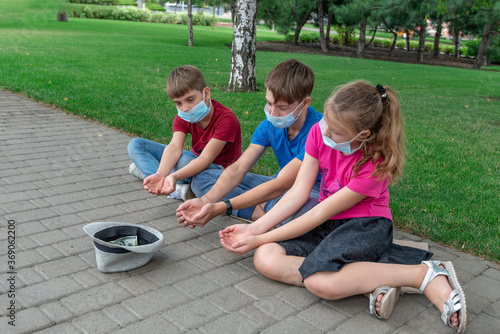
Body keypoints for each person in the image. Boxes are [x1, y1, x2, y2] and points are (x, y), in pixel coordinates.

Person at [219, 81, 466, 333]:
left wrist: (258, 236)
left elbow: (318, 212)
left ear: (364, 135)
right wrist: (255, 231)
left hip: (366, 226)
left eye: (336, 132)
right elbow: (297, 194)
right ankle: (370, 280)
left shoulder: (376, 163)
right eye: (326, 122)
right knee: (265, 257)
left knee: (320, 283)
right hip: (330, 225)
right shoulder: (319, 132)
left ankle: (425, 276)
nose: (325, 134)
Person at [177, 59, 323, 227]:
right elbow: (239, 168)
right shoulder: (269, 125)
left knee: (306, 207)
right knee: (204, 178)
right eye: (269, 103)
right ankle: (271, 216)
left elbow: (281, 185)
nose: (273, 113)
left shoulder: (320, 130)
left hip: (313, 189)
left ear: (305, 103)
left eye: (282, 108)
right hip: (279, 186)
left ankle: (270, 213)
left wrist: (222, 206)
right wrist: (205, 201)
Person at [127, 65, 242, 200]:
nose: (185, 108)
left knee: (183, 161)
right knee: (136, 145)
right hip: (193, 161)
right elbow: (175, 147)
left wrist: (174, 175)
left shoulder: (226, 118)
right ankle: (171, 184)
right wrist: (160, 173)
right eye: (178, 103)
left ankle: (151, 175)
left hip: (218, 171)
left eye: (190, 100)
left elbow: (205, 159)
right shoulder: (182, 117)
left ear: (206, 93)